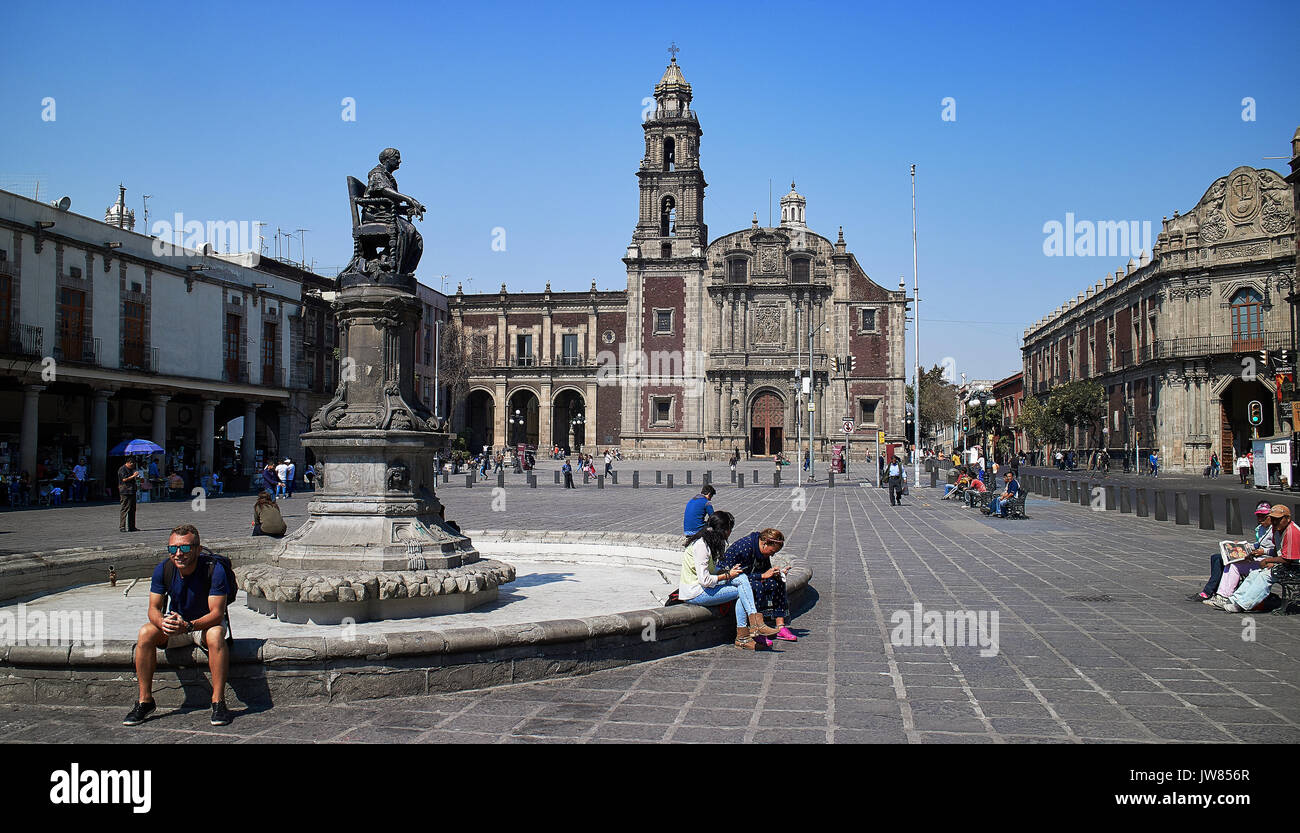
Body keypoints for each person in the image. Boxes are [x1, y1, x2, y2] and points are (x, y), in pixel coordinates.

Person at [123, 524, 233, 727]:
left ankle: (218, 701)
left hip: (203, 625)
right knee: (146, 632)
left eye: (185, 548)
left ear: (198, 549)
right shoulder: (163, 568)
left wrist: (189, 626)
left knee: (216, 634)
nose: (178, 554)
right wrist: (163, 622)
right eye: (173, 548)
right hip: (178, 625)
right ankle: (145, 700)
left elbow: (217, 614)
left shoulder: (213, 569)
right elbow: (153, 609)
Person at [677, 511, 778, 650]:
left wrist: (728, 572)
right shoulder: (701, 545)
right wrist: (728, 575)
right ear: (723, 530)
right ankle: (750, 629)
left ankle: (752, 627)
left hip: (703, 588)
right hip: (695, 592)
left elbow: (711, 571)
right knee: (741, 590)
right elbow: (705, 580)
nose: (730, 533)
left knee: (741, 577)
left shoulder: (708, 542)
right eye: (730, 529)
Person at [1214, 504, 1300, 612]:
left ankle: (1242, 604)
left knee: (1265, 576)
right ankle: (1234, 599)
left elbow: (1289, 558)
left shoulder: (1292, 532)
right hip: (1285, 563)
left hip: (1295, 567)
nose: (1275, 522)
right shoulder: (1277, 529)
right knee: (1255, 573)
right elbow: (1278, 551)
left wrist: (1268, 560)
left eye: (1278, 519)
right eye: (1273, 519)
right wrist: (1261, 554)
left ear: (1287, 519)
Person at [717, 527, 796, 645]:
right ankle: (754, 628)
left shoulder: (762, 551)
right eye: (772, 552)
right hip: (729, 579)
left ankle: (780, 626)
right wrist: (762, 576)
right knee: (756, 586)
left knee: (778, 582)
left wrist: (776, 574)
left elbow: (764, 571)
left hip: (748, 577)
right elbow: (737, 576)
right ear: (764, 544)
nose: (772, 555)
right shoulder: (744, 548)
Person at [1193, 502, 1274, 603]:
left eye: (1264, 517)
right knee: (1216, 557)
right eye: (1258, 516)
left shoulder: (1275, 530)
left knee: (1232, 564)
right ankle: (1214, 591)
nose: (1260, 519)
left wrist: (1263, 552)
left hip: (1265, 559)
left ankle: (1218, 594)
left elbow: (1276, 550)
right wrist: (1240, 545)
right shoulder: (1262, 528)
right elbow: (1258, 544)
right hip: (1258, 556)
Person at [118, 458, 143, 532]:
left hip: (132, 490)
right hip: (125, 491)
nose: (133, 466)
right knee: (125, 508)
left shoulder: (132, 469)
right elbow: (124, 479)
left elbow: (134, 479)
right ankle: (122, 526)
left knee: (132, 509)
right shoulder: (122, 469)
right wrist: (133, 476)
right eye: (132, 464)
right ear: (129, 463)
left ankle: (132, 526)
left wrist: (138, 478)